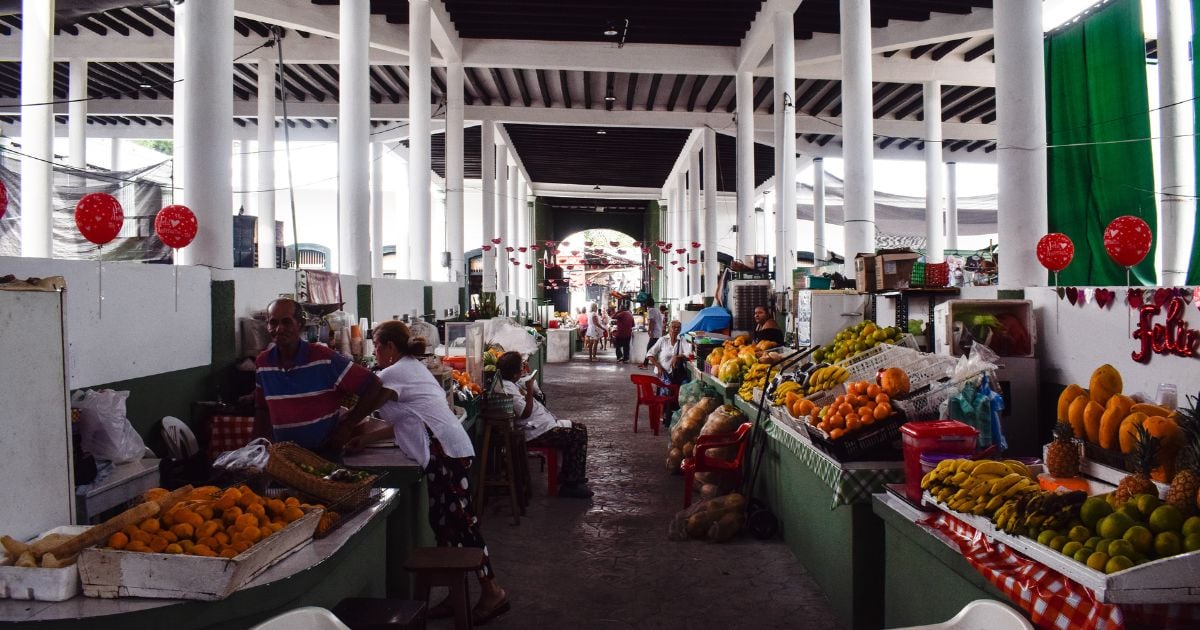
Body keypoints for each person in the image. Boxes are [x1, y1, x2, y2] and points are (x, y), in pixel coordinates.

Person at [345, 322, 509, 625]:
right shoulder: (409, 368)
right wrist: (364, 439)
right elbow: (406, 420)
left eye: (377, 346)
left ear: (390, 347)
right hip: (444, 451)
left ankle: (492, 591)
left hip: (447, 452)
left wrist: (343, 429)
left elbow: (363, 406)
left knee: (463, 524)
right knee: (444, 524)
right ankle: (454, 594)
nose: (375, 352)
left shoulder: (394, 374)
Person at [253, 298, 382, 452]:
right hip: (285, 457)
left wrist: (347, 426)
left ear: (300, 324)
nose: (279, 329)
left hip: (324, 454)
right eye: (273, 322)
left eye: (286, 322)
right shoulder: (263, 363)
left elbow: (373, 385)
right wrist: (256, 447)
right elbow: (262, 409)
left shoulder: (324, 358)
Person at [496, 351, 593, 498]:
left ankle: (570, 476)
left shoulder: (511, 383)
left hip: (542, 426)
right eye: (521, 367)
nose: (523, 369)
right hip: (535, 433)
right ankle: (571, 484)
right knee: (577, 434)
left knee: (579, 428)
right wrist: (529, 390)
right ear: (515, 374)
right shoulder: (508, 389)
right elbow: (525, 412)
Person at [647, 320, 692, 385]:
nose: (676, 329)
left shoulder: (682, 339)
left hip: (676, 373)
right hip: (663, 373)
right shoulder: (662, 340)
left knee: (685, 386)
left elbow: (689, 353)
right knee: (666, 392)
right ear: (669, 328)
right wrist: (658, 366)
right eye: (673, 327)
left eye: (678, 327)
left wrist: (677, 356)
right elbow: (649, 354)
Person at [643, 298, 663, 367]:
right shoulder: (657, 310)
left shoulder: (650, 310)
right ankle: (645, 364)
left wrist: (649, 331)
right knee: (653, 349)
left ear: (647, 304)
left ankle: (645, 364)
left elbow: (652, 322)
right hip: (659, 332)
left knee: (649, 349)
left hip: (655, 333)